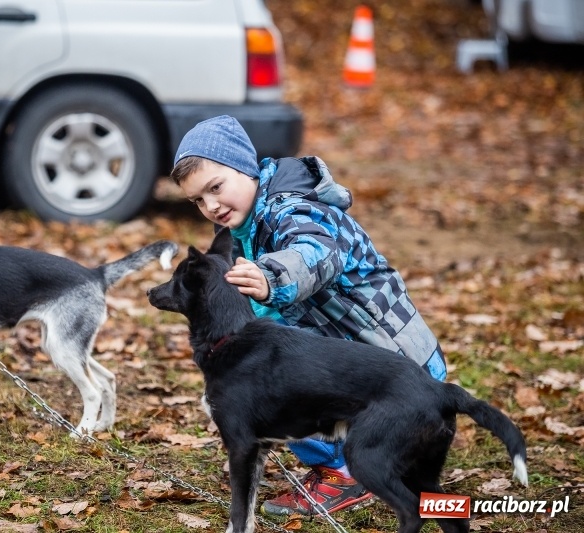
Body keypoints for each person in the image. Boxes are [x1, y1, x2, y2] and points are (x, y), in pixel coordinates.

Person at [170, 115, 447, 516]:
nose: (210, 205)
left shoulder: (295, 211)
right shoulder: (243, 229)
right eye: (198, 200)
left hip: (390, 370)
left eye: (216, 187)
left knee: (266, 376)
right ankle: (423, 492)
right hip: (362, 369)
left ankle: (343, 474)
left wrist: (271, 277)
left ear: (247, 168)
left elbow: (314, 254)